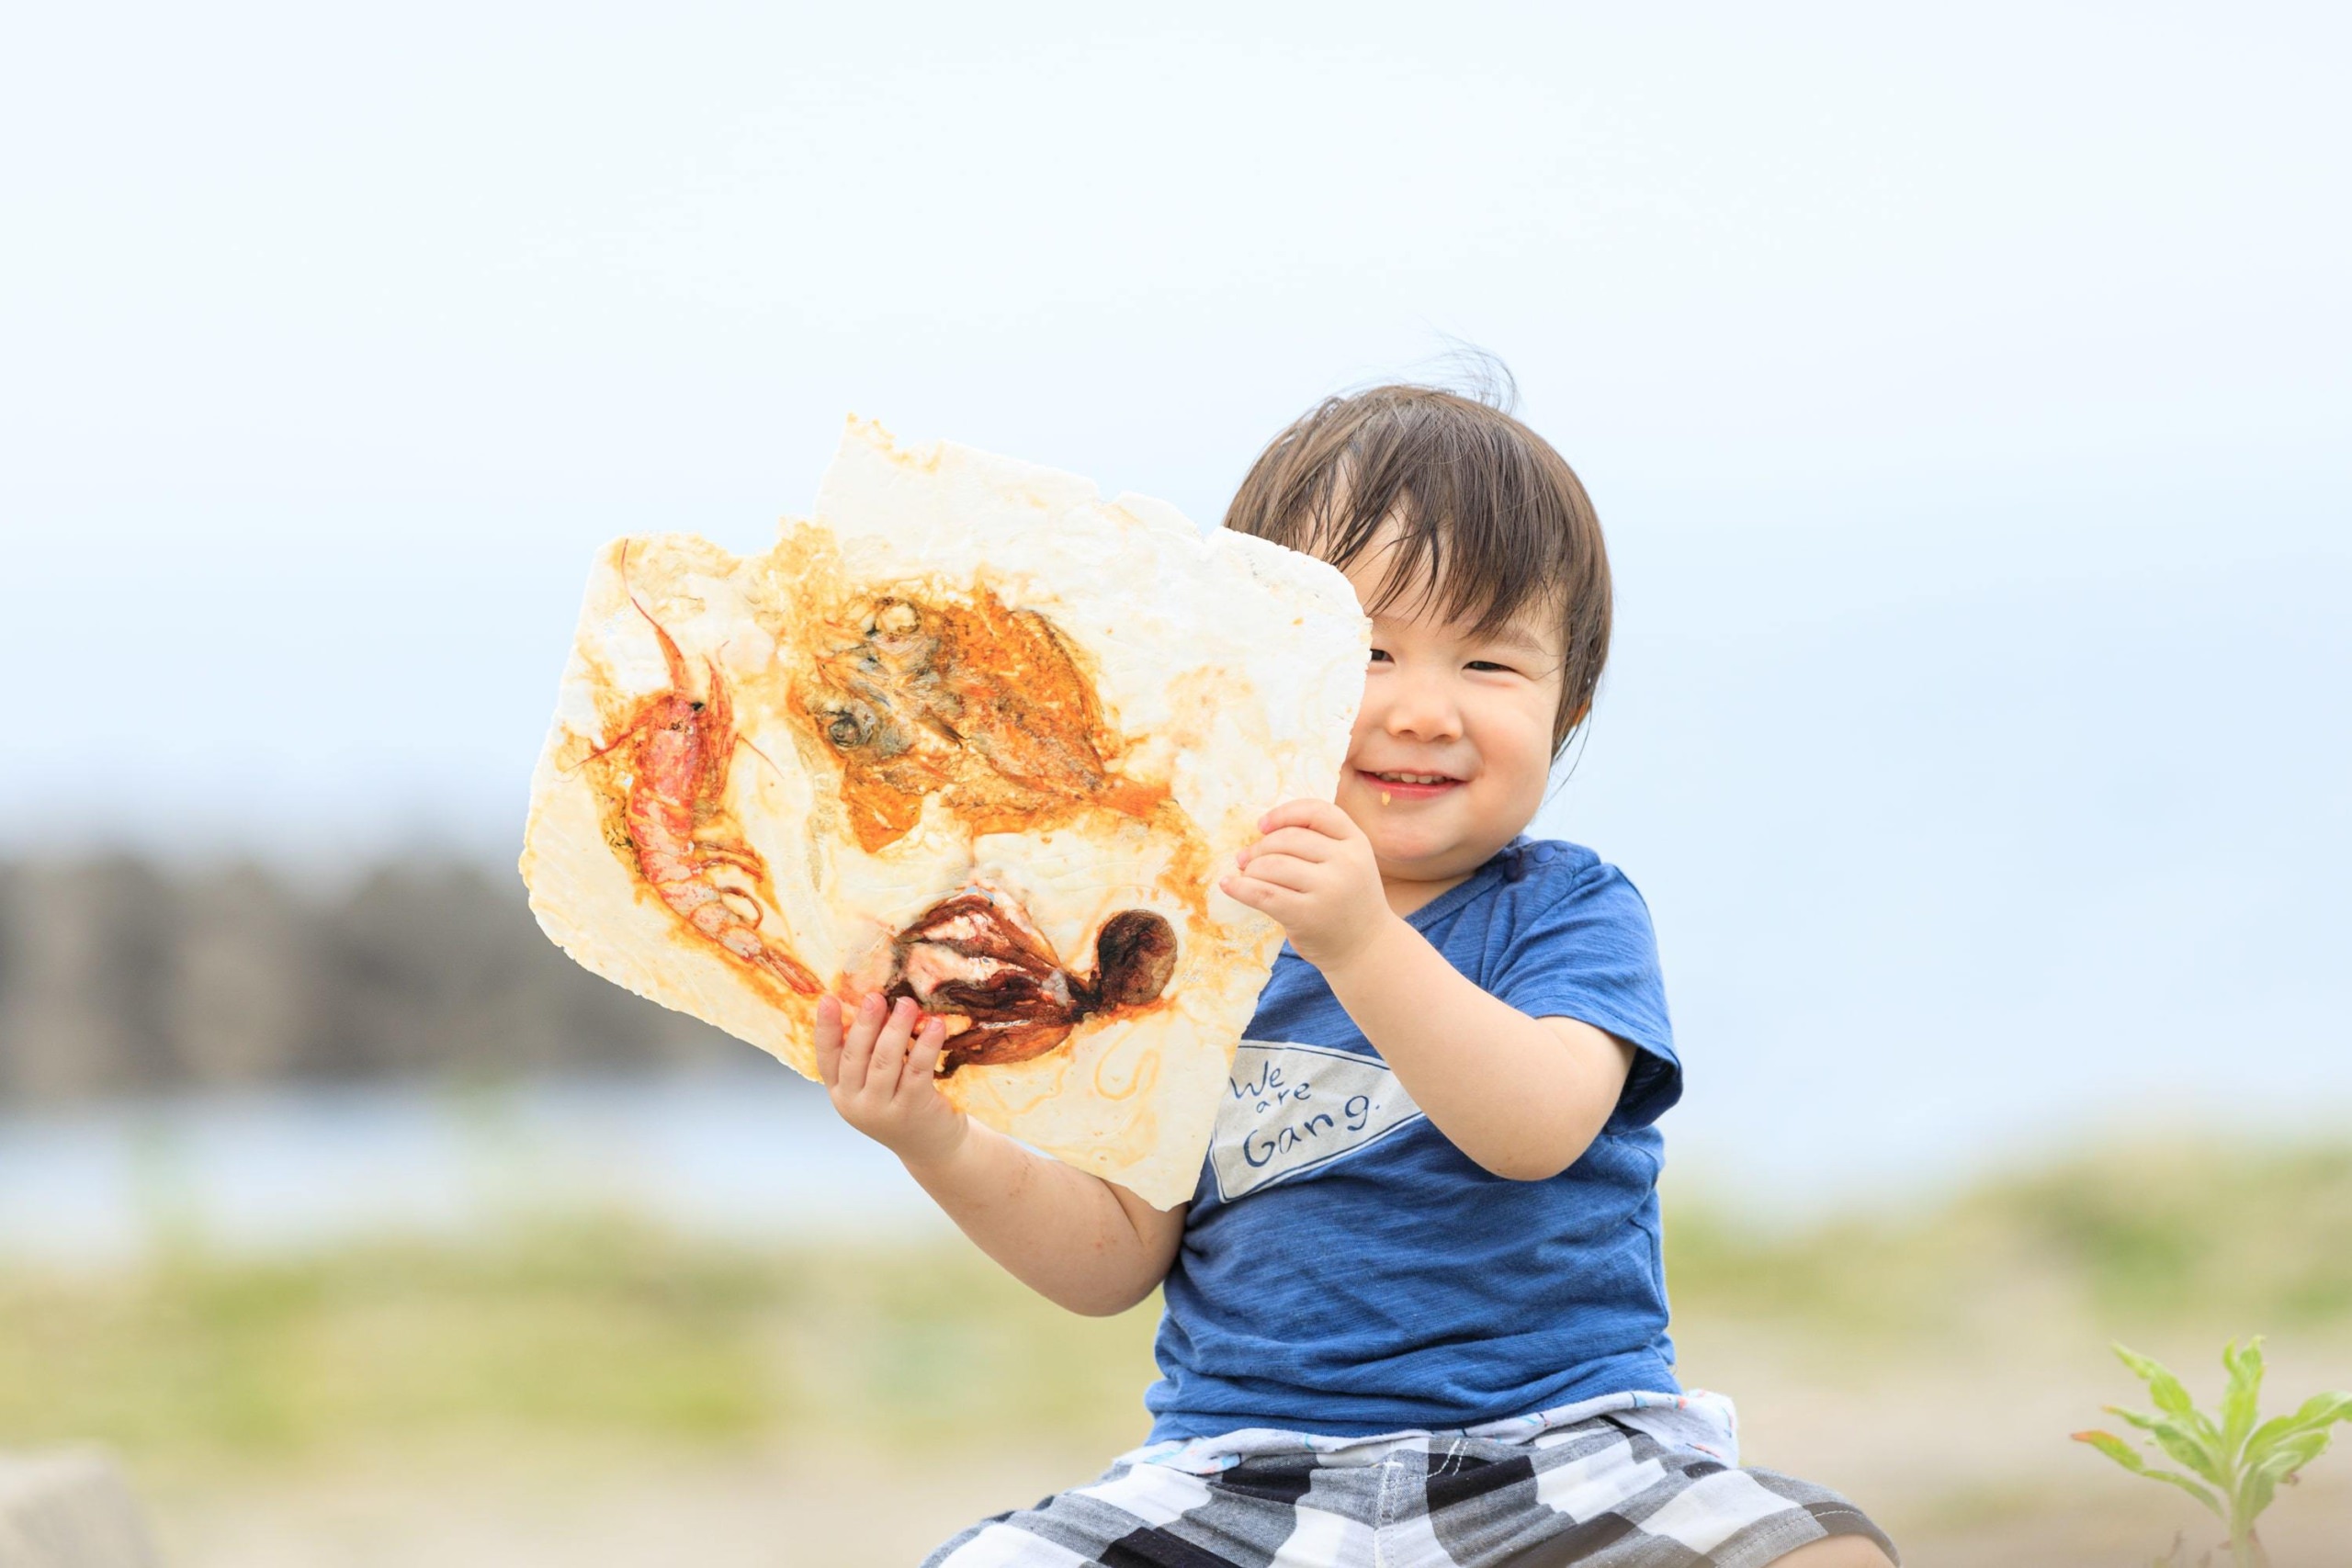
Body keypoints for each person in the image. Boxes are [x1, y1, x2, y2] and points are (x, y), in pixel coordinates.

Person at [815, 382, 1900, 1568]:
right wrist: (934, 1140)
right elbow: (1118, 1252)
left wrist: (1363, 942)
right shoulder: (1178, 943)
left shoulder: (1572, 910)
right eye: (1366, 653)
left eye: (1491, 664)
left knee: (1816, 1552)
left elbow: (1536, 1126)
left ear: (1568, 709)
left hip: (1558, 1452)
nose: (1424, 711)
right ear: (1256, 678)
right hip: (1246, 1471)